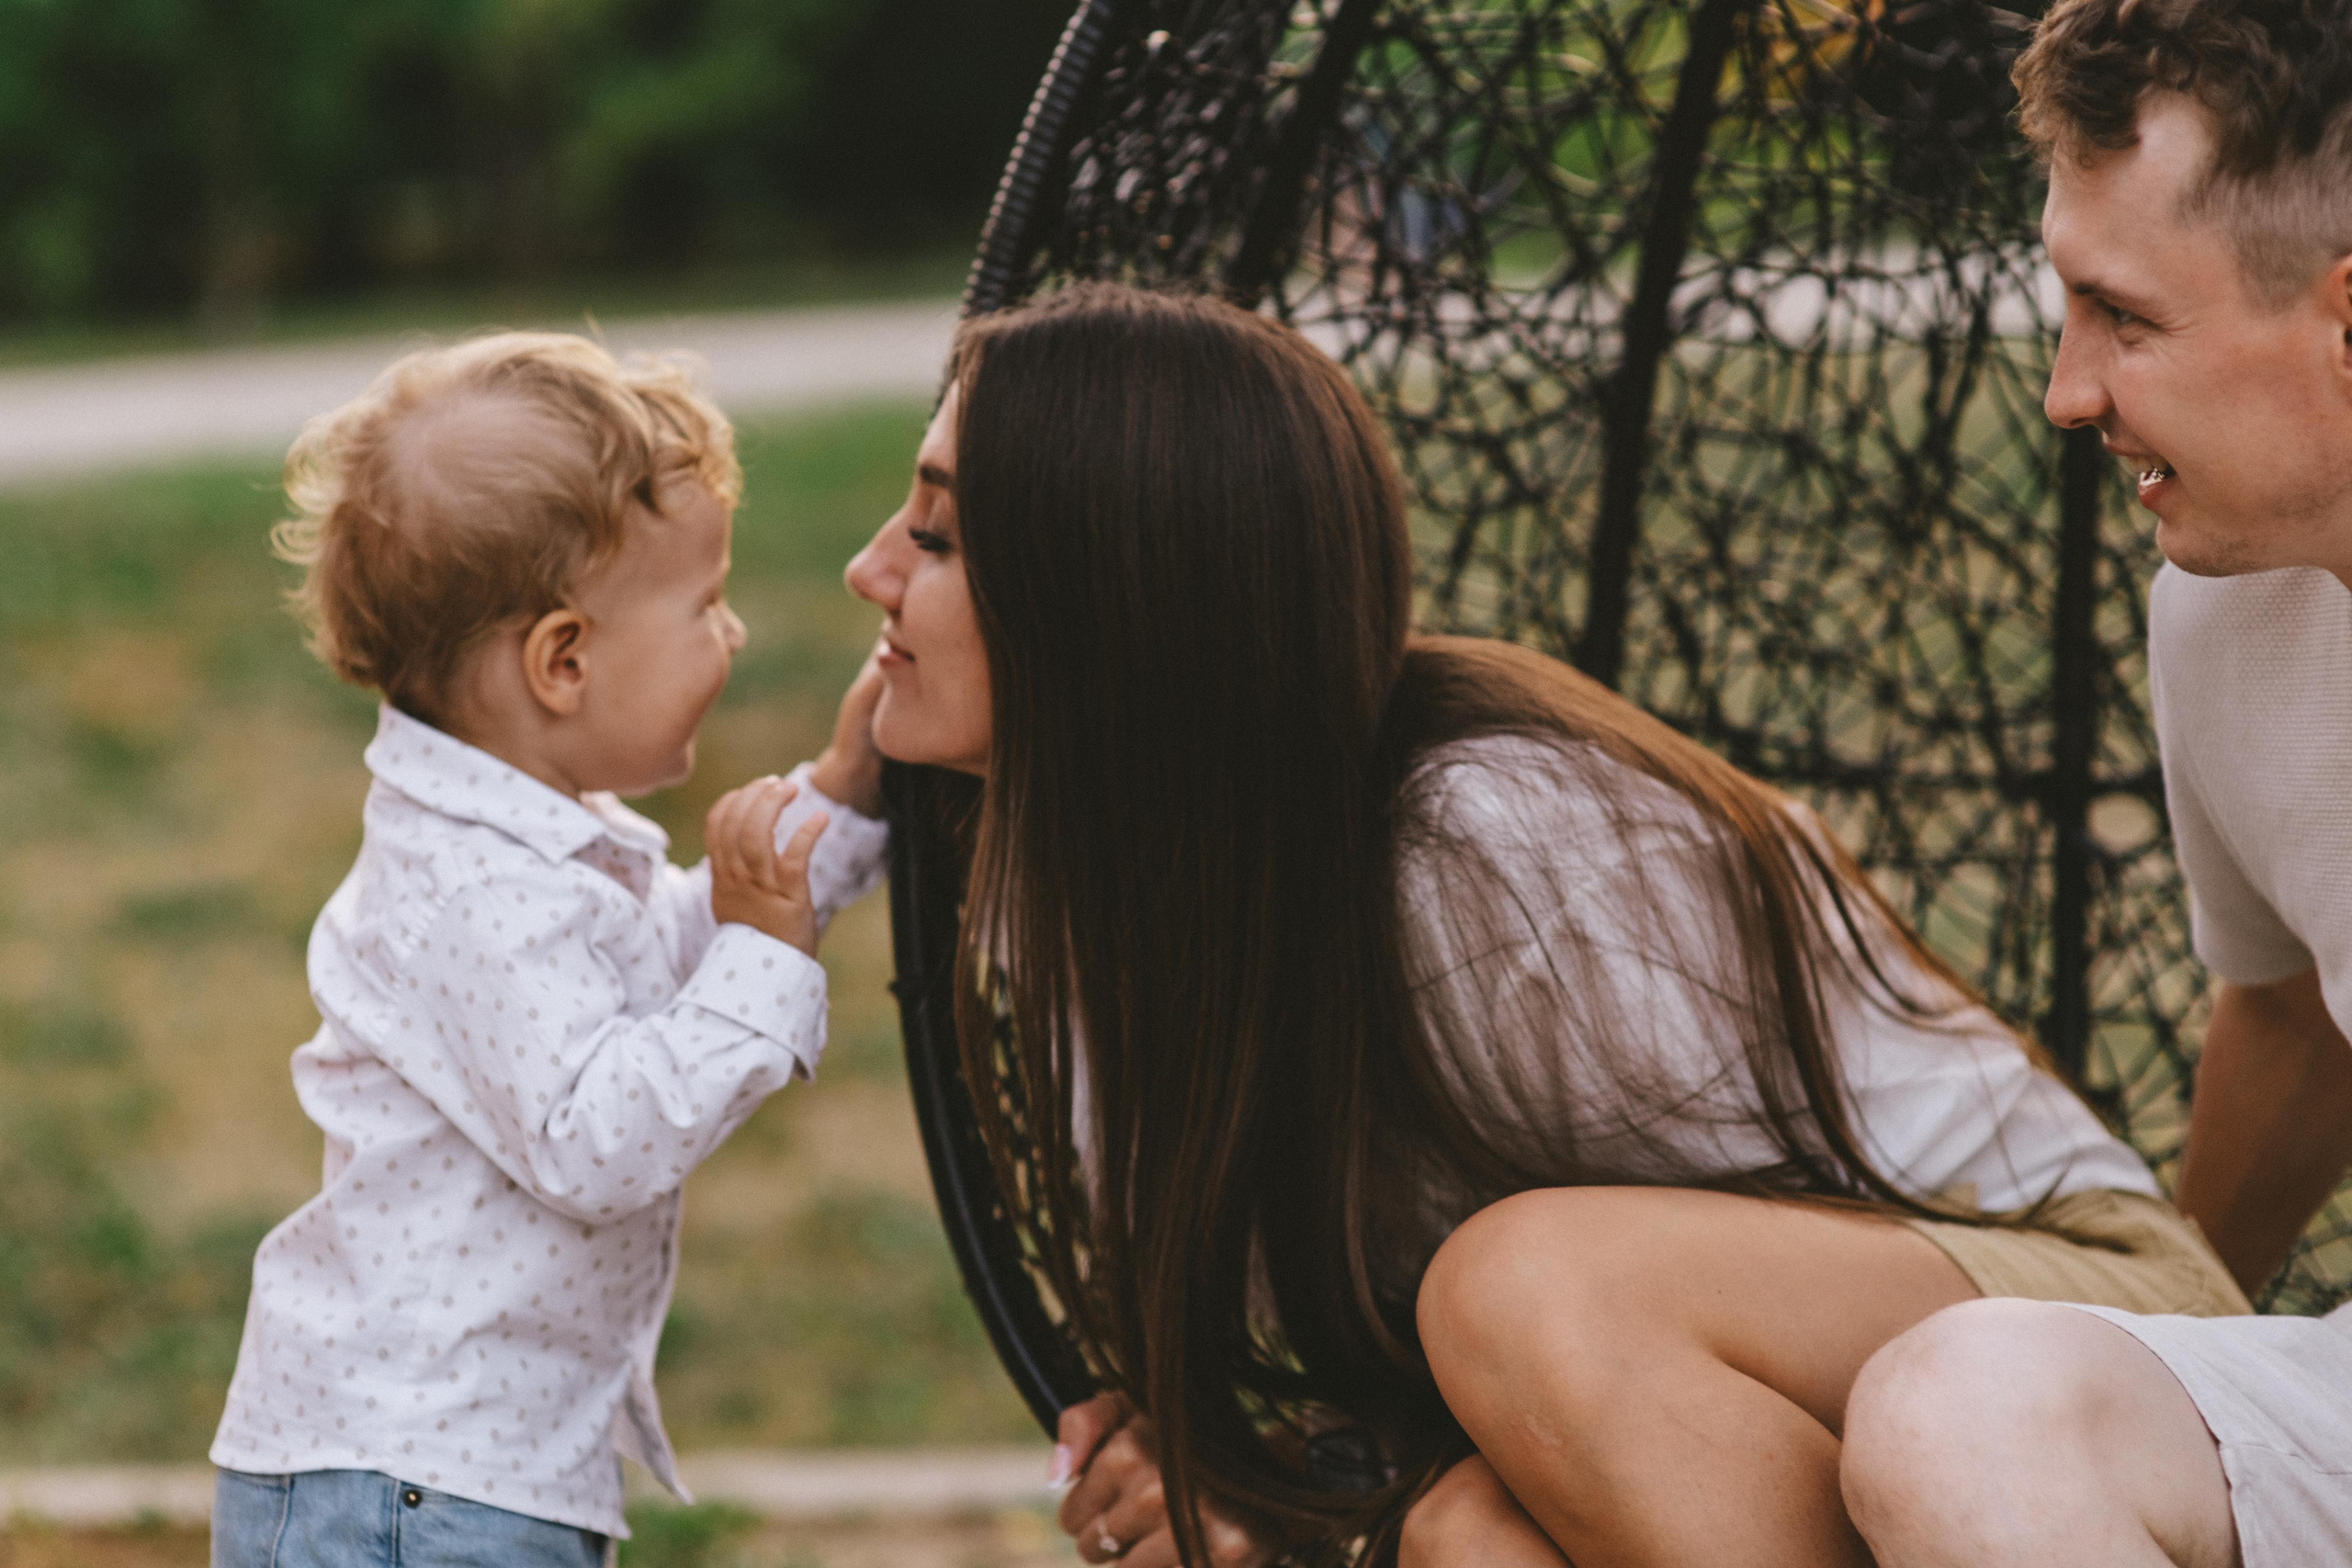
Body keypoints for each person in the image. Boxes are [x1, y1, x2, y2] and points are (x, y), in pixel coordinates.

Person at [842, 281, 2242, 1568]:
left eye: (940, 536)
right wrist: (1263, 1484)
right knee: (1462, 1538)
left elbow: (1664, 1295)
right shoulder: (1083, 908)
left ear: (1115, 595)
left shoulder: (1484, 844)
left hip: (2077, 1342)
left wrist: (1323, 1477)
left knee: (1519, 1291)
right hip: (1702, 1404)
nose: (868, 571)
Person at [207, 332, 889, 1567]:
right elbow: (598, 1137)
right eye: (705, 604)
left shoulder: (531, 856)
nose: (735, 633)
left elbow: (670, 961)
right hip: (414, 1488)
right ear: (562, 661)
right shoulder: (475, 892)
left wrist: (837, 800)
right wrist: (765, 953)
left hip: (440, 1479)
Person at [1837, 4, 2352, 1564]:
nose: (2069, 393)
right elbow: (2290, 1015)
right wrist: (2185, 1316)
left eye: (2123, 317)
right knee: (1965, 1407)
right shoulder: (2226, 610)